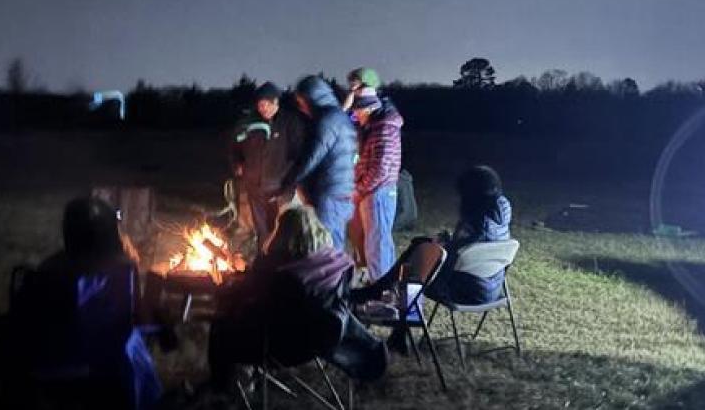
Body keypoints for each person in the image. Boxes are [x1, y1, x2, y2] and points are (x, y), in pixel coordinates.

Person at [0, 197, 162, 410]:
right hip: (109, 373)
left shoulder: (47, 270)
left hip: (53, 370)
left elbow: (23, 322)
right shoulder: (125, 269)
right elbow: (138, 318)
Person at [208, 206, 386, 387]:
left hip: (279, 345)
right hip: (322, 340)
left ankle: (222, 387)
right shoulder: (339, 264)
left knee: (220, 325)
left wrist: (224, 287)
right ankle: (244, 378)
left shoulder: (275, 268)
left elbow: (249, 298)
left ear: (281, 232)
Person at [351, 165, 513, 351]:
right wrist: (447, 242)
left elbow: (453, 258)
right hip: (491, 286)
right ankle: (384, 303)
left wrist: (439, 246)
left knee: (414, 271)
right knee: (420, 248)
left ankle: (388, 312)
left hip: (465, 290)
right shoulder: (500, 212)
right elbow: (468, 250)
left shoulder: (476, 224)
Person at [284, 75, 357, 252]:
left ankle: (329, 279)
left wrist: (288, 181)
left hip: (329, 194)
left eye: (302, 101)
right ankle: (339, 278)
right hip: (341, 192)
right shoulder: (341, 118)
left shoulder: (327, 120)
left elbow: (312, 157)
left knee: (324, 247)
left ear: (311, 98)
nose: (301, 107)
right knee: (335, 247)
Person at [345, 68, 404, 281]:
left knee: (377, 245)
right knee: (373, 243)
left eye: (358, 112)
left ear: (368, 109)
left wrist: (358, 189)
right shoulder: (372, 124)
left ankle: (381, 291)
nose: (356, 116)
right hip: (370, 192)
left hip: (378, 193)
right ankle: (379, 285)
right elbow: (343, 121)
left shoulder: (384, 126)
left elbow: (380, 169)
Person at [230, 81, 306, 242]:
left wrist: (290, 184)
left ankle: (280, 263)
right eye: (260, 105)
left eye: (266, 104)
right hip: (254, 187)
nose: (262, 108)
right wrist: (237, 163)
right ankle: (263, 261)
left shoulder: (289, 122)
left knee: (280, 229)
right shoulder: (249, 123)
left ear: (275, 102)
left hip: (280, 187)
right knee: (261, 230)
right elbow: (236, 146)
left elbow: (298, 155)